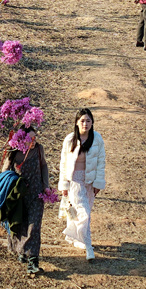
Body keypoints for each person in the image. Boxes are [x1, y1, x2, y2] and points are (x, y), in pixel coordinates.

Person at [59, 109, 105, 262]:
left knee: (85, 214)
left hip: (90, 182)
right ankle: (89, 248)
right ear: (76, 122)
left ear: (92, 123)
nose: (85, 124)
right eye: (82, 121)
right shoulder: (70, 139)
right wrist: (64, 186)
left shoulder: (97, 139)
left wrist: (98, 183)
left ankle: (79, 238)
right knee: (84, 213)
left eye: (88, 121)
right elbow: (64, 164)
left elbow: (101, 162)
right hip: (75, 182)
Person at [2, 127, 49, 275]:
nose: (34, 141)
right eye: (30, 138)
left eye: (35, 137)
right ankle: (21, 251)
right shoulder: (14, 152)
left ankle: (33, 261)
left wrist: (46, 186)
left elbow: (44, 166)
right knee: (20, 223)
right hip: (19, 195)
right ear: (22, 139)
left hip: (36, 193)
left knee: (34, 225)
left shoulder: (39, 149)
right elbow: (5, 172)